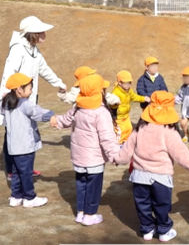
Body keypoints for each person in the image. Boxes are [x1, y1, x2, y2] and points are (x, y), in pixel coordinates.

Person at [114, 91, 189, 242]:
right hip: (161, 177)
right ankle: (164, 230)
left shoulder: (139, 129)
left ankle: (147, 229)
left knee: (143, 204)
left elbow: (126, 152)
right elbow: (181, 155)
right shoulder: (169, 132)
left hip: (139, 176)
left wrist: (117, 158)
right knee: (161, 205)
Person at [1, 16, 67, 180]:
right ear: (33, 33)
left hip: (29, 100)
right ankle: (12, 170)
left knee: (27, 133)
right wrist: (3, 96)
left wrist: (59, 83)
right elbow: (8, 73)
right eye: (41, 31)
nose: (44, 33)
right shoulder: (18, 49)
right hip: (16, 101)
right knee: (13, 133)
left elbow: (44, 69)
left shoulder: (34, 51)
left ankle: (25, 168)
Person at [53, 73, 120, 226]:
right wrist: (114, 155)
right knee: (93, 187)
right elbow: (107, 138)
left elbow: (65, 119)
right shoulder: (101, 112)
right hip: (94, 159)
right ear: (99, 92)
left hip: (78, 157)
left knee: (81, 185)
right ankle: (90, 214)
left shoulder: (78, 107)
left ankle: (81, 212)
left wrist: (56, 121)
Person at [2, 73, 55, 208]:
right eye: (30, 88)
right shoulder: (25, 104)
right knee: (26, 173)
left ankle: (16, 196)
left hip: (13, 147)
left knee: (16, 172)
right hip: (25, 147)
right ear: (19, 90)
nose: (31, 91)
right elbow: (38, 113)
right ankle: (29, 197)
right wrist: (52, 115)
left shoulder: (7, 102)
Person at [111, 70, 150, 144]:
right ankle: (118, 145)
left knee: (129, 129)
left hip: (126, 116)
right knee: (120, 132)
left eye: (130, 83)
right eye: (126, 83)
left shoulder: (128, 90)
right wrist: (114, 104)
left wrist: (143, 98)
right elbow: (112, 105)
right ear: (120, 83)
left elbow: (134, 97)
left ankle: (126, 144)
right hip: (118, 118)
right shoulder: (115, 93)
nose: (128, 85)